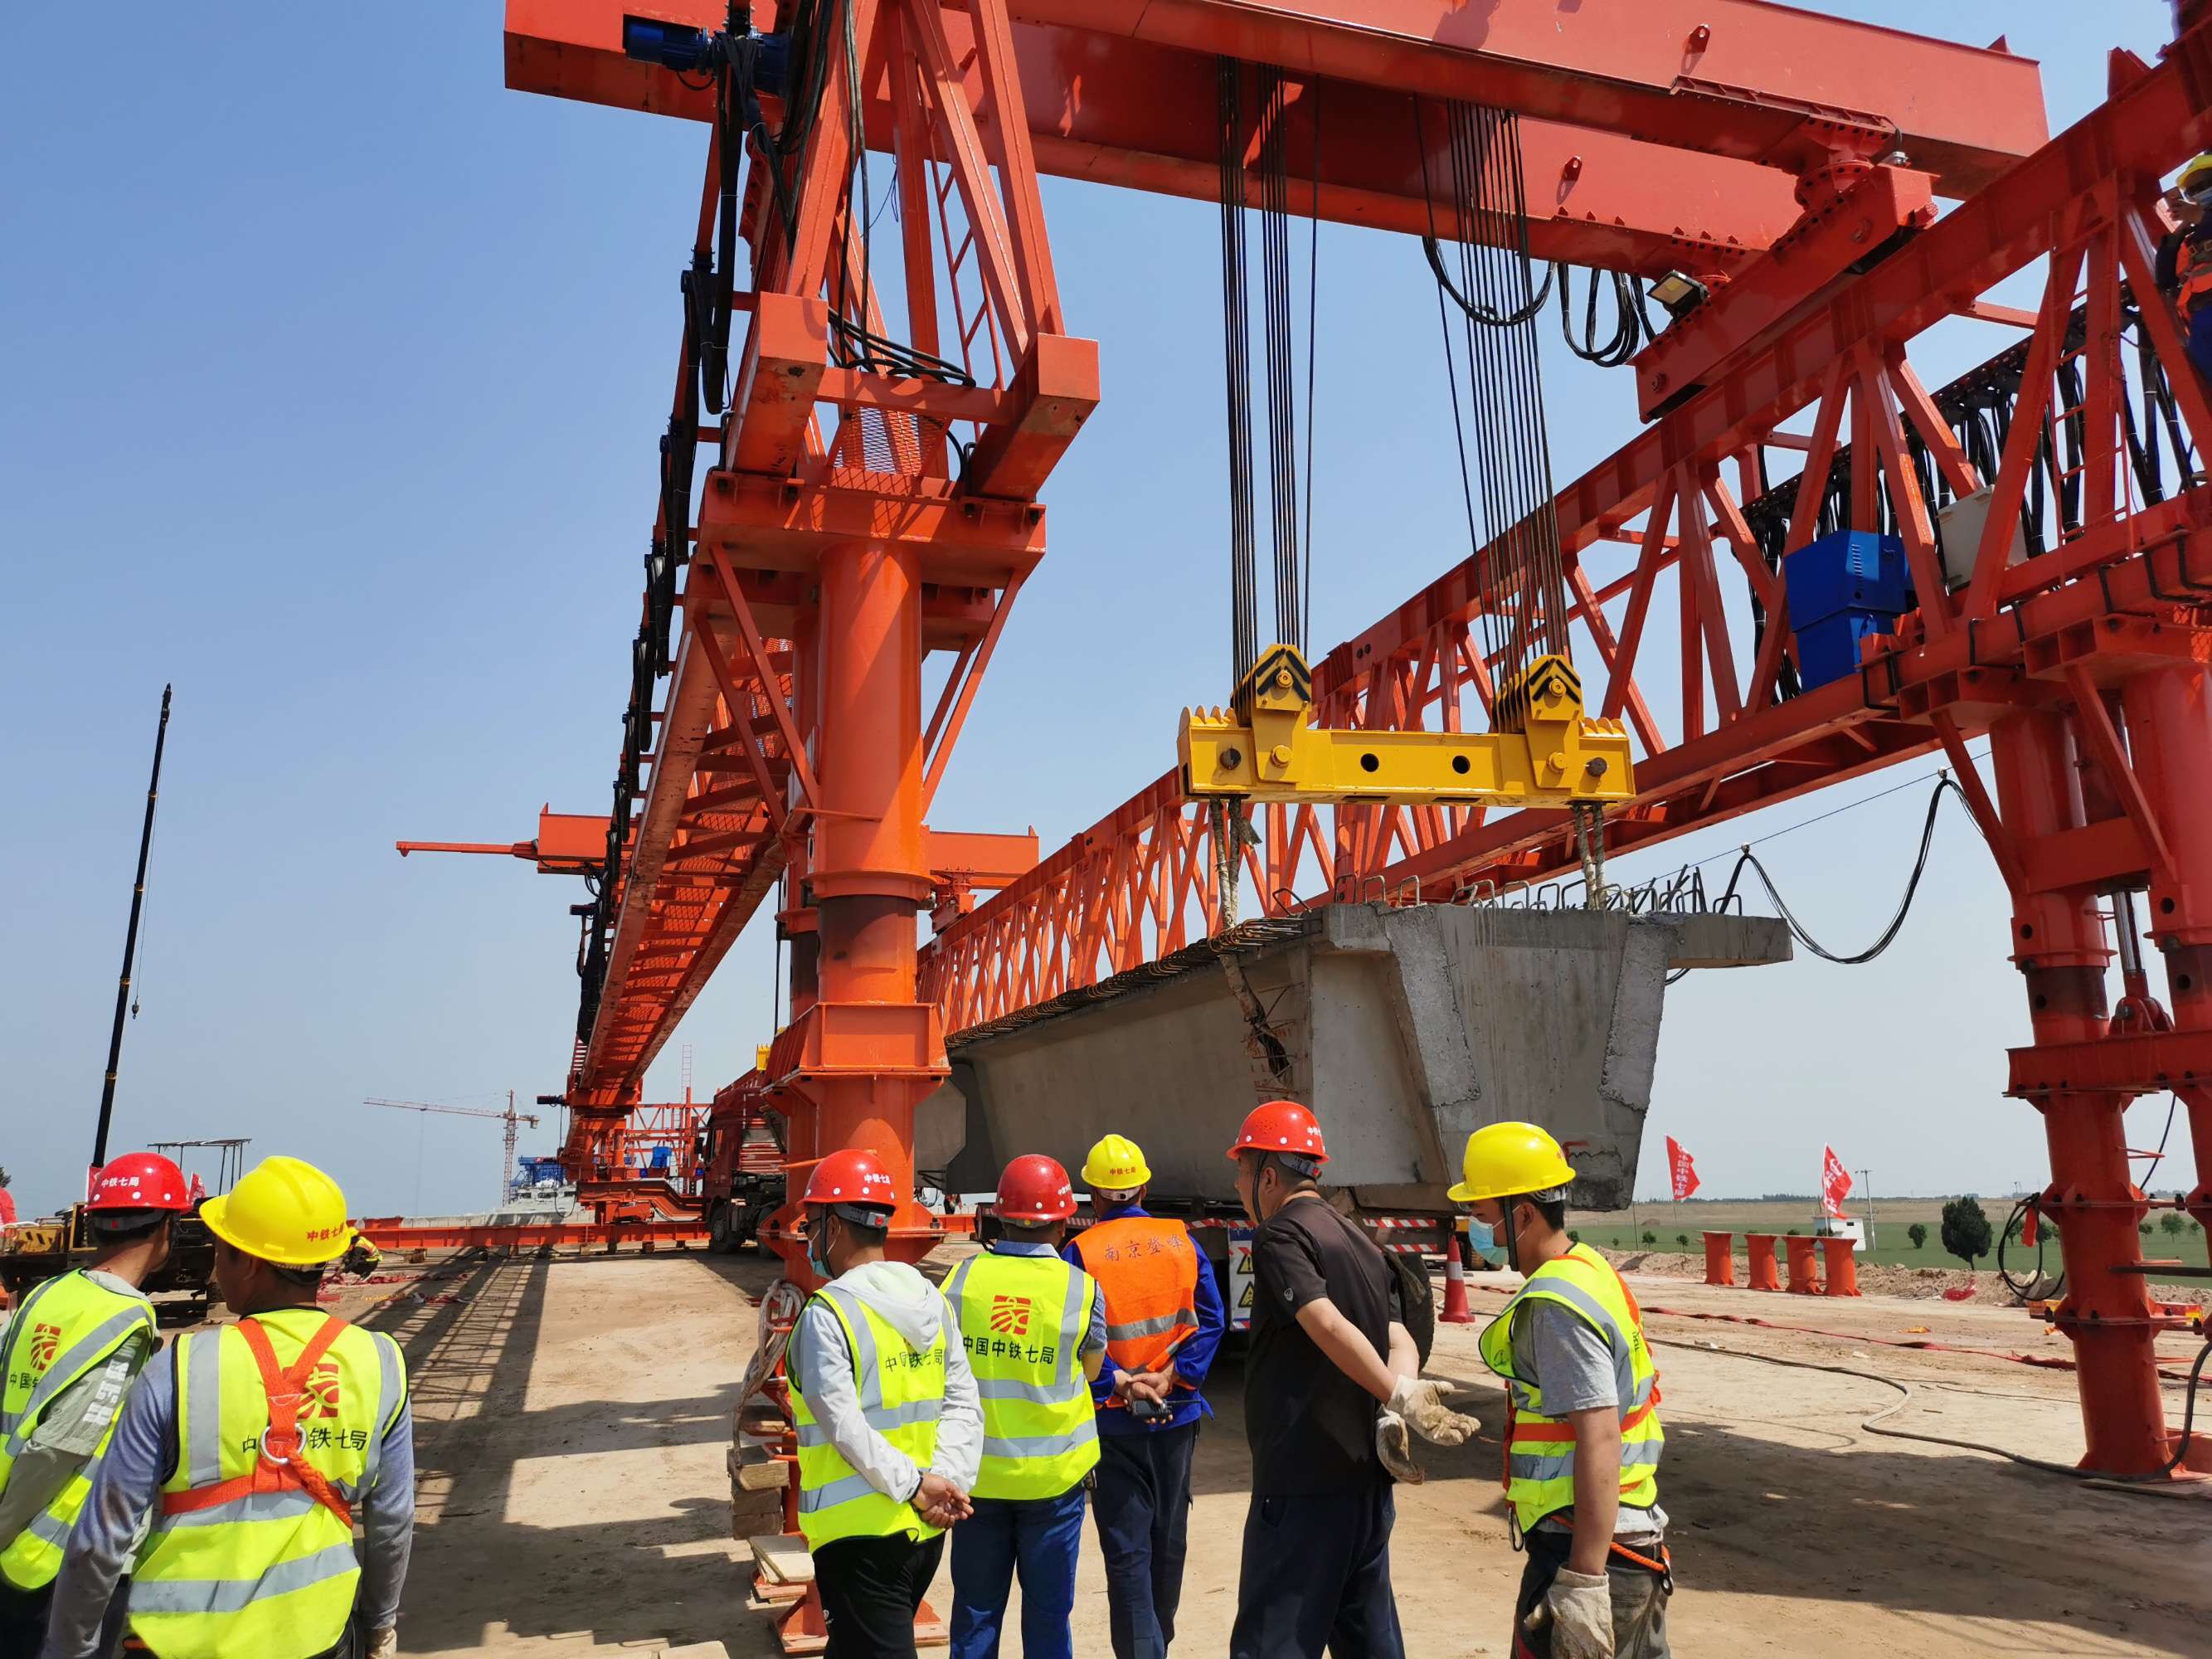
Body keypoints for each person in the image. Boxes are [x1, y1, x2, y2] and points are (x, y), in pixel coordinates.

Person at [42, 1155, 415, 1659]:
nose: (216, 1262)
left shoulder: (177, 1368)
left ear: (252, 1263)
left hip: (175, 1642)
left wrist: (72, 1648)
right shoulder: (381, 1362)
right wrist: (378, 1627)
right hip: (316, 1637)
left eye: (222, 1249)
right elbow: (391, 1521)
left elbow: (101, 1539)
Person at [1225, 1102, 1473, 1659]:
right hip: (1364, 1490)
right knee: (1368, 1641)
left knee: (1273, 1643)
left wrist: (1395, 1396)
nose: (1239, 1185)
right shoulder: (1360, 1241)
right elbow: (1398, 1338)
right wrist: (1396, 1402)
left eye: (1241, 1171)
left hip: (1301, 1485)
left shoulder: (1280, 1237)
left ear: (1267, 1174)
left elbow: (1325, 1322)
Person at [1453, 1122, 1670, 1659]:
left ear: (1521, 1213)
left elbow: (1597, 1436)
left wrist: (1584, 1582)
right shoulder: (1589, 1269)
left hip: (1592, 1549)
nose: (1476, 1232)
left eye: (1481, 1217)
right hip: (1620, 1538)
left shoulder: (1555, 1304)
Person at [788, 1148, 982, 1659]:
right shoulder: (931, 1300)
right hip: (924, 1532)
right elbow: (963, 1403)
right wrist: (946, 1483)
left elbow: (843, 1426)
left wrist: (920, 1487)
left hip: (859, 1537)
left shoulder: (827, 1315)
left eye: (811, 1225)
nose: (808, 1238)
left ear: (835, 1226)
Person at [0, 1154, 191, 1657]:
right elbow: (55, 1449)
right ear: (166, 1228)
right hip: (56, 1552)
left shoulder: (46, 1294)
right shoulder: (127, 1320)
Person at [1064, 1133, 1224, 1659]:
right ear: (1144, 1187)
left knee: (1128, 1551)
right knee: (1168, 1542)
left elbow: (1077, 1336)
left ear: (1094, 1194)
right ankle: (1160, 1642)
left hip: (1114, 1421)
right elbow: (1211, 1320)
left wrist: (1119, 1379)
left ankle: (1143, 1650)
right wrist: (1175, 1375)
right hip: (1175, 1415)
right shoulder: (1181, 1239)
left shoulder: (1081, 1251)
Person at [942, 1155, 1106, 1659]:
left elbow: (941, 1367)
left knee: (975, 1613)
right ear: (1062, 1223)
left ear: (998, 1216)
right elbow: (1093, 1371)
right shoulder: (1081, 1289)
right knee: (1048, 1616)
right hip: (1053, 1486)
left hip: (976, 1481)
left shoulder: (961, 1281)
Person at [2158, 153, 2212, 382]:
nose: (2200, 191)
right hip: (2202, 319)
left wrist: (2201, 217)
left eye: (2206, 182)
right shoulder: (2191, 240)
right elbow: (2165, 278)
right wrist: (2181, 230)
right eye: (2193, 189)